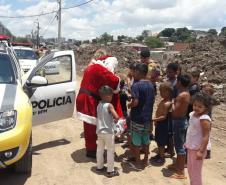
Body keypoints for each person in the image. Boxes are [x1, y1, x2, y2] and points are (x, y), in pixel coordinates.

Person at [76, 49, 123, 158]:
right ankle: (93, 150)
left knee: (89, 126)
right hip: (89, 99)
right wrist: (120, 80)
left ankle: (91, 148)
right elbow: (114, 81)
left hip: (84, 97)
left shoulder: (91, 66)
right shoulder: (100, 69)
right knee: (92, 127)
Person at [128, 63, 155, 168]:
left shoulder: (136, 85)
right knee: (146, 140)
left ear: (138, 72)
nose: (132, 74)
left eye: (134, 72)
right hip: (147, 118)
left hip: (137, 118)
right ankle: (145, 160)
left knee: (136, 141)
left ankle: (138, 162)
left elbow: (135, 102)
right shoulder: (151, 85)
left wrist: (130, 105)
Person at [185, 93, 212, 185]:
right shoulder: (192, 114)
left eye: (200, 106)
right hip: (191, 146)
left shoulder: (204, 119)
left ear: (206, 108)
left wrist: (201, 151)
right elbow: (191, 130)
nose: (196, 108)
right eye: (195, 105)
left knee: (195, 172)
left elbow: (206, 136)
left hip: (198, 148)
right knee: (190, 169)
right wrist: (187, 142)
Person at [168, 74, 191, 179]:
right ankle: (178, 165)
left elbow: (174, 111)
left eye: (177, 81)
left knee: (179, 147)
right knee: (179, 144)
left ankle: (181, 172)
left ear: (180, 83)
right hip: (180, 121)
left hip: (179, 121)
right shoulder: (186, 93)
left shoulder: (182, 95)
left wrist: (172, 102)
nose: (176, 83)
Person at [96, 85, 120, 178]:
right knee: (110, 151)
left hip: (99, 131)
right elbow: (116, 116)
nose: (112, 97)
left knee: (100, 150)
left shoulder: (99, 105)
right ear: (106, 96)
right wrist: (116, 120)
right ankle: (110, 171)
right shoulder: (109, 105)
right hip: (108, 132)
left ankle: (99, 167)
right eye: (111, 95)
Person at [152, 82, 173, 165]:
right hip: (159, 123)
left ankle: (162, 157)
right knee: (158, 140)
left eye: (162, 91)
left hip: (163, 124)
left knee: (161, 142)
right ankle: (160, 155)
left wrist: (154, 119)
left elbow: (164, 116)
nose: (160, 93)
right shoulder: (163, 101)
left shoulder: (168, 103)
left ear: (168, 91)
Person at [201, 83, 215, 159]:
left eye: (206, 91)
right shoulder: (207, 99)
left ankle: (208, 152)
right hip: (207, 119)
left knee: (207, 136)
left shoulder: (208, 100)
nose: (204, 91)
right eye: (204, 90)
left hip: (207, 120)